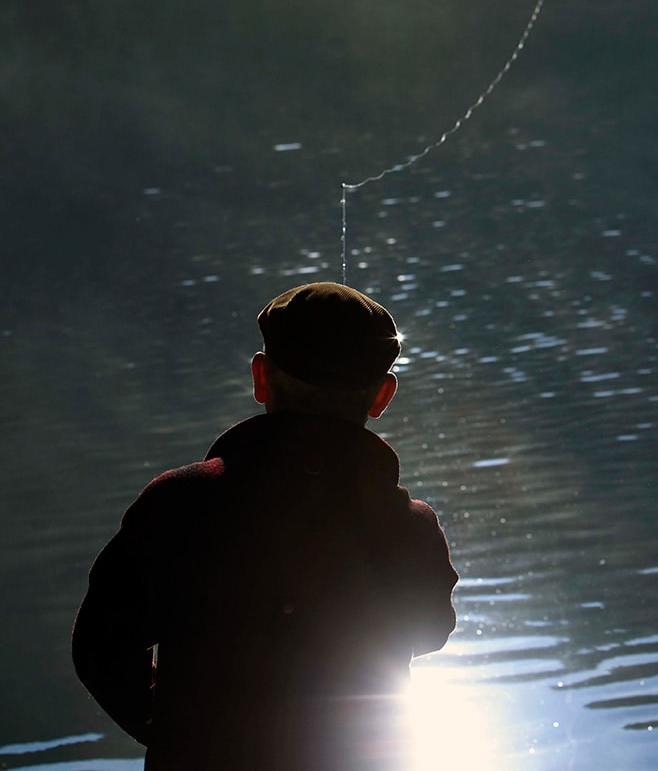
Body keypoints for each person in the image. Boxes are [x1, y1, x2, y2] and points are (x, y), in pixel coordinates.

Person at [72, 282, 458, 770]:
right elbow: (430, 630)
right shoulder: (410, 528)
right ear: (382, 395)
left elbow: (100, 648)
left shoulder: (178, 503)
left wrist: (174, 731)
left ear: (260, 378)